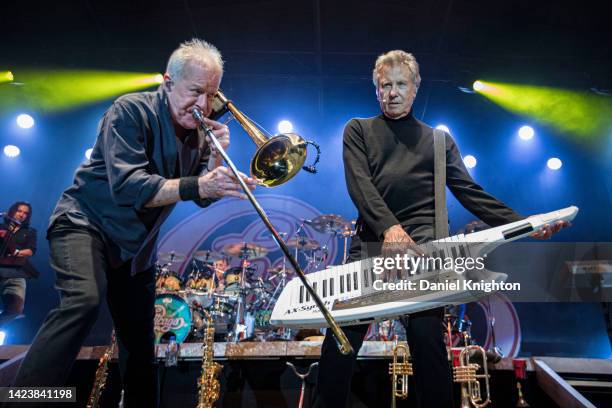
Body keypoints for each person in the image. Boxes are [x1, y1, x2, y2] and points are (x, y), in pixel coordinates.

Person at [313, 50, 568, 407]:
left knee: (428, 344)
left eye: (401, 84)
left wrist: (523, 225)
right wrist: (389, 228)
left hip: (425, 255)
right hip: (372, 247)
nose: (393, 92)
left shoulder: (438, 141)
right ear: (376, 90)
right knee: (340, 343)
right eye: (386, 85)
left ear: (416, 88)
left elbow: (470, 193)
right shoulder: (358, 130)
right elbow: (360, 185)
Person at [13, 38, 257, 408]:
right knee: (84, 300)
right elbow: (130, 186)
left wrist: (213, 169)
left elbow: (202, 196)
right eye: (195, 91)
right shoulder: (129, 110)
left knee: (141, 343)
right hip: (84, 225)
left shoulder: (199, 133)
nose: (204, 105)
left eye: (211, 94)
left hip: (135, 249)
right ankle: (24, 401)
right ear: (167, 82)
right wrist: (199, 183)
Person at [0, 202, 37, 327]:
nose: (22, 214)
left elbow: (31, 250)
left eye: (25, 213)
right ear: (12, 211)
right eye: (19, 211)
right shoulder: (1, 226)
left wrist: (17, 252)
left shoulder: (30, 231)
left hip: (16, 272)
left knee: (15, 309)